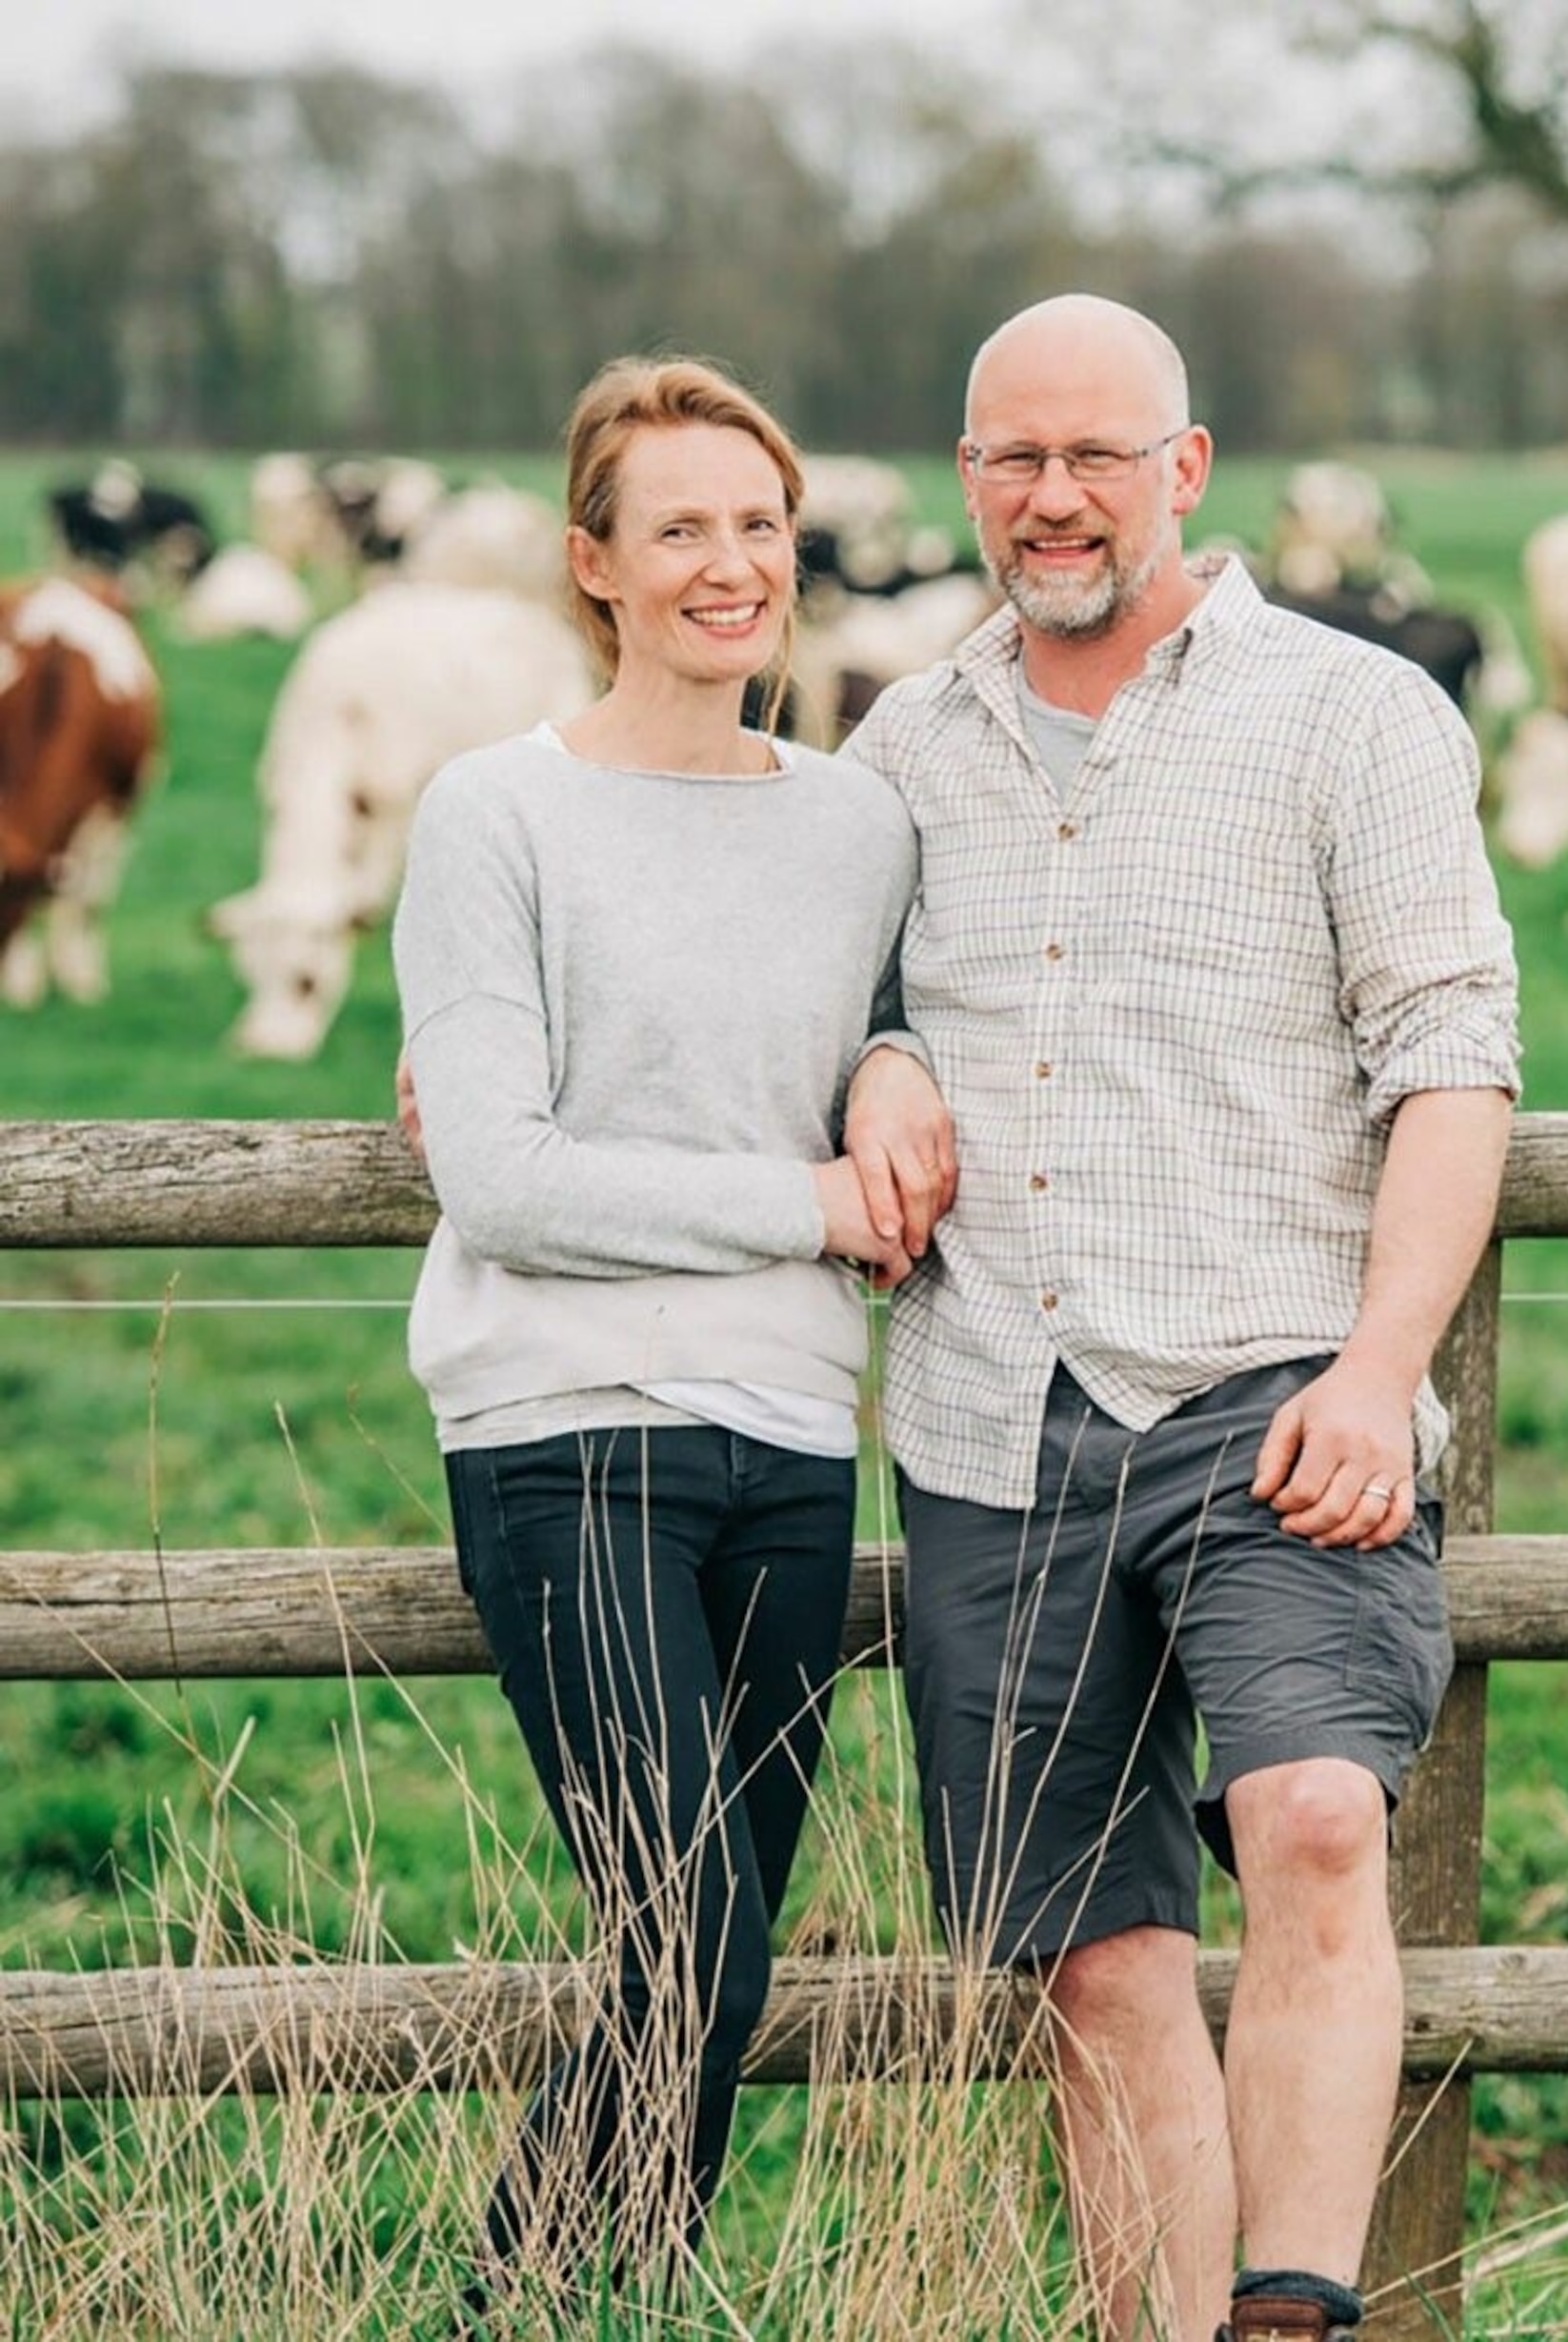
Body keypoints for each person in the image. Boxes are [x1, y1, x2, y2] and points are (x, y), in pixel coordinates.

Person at [839, 293, 1519, 2342]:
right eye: (1013, 458)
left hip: (1278, 1386)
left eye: (1098, 455)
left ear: (1186, 469)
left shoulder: (1354, 713)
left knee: (1314, 1815)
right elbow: (817, 1007)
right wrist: (874, 1060)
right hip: (991, 1406)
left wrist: (1384, 1368)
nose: (1055, 498)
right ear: (968, 479)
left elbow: (1454, 1054)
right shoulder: (900, 743)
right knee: (1088, 1947)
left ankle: (1297, 2310)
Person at [390, 355, 926, 2306]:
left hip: (786, 1429)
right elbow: (508, 1181)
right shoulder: (494, 812)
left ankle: (616, 2292)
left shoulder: (857, 821)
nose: (731, 563)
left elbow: (889, 1032)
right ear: (593, 563)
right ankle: (513, 2300)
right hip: (564, 1428)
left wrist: (885, 1065)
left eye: (760, 524)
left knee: (712, 1942)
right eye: (681, 526)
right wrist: (806, 1202)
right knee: (689, 1921)